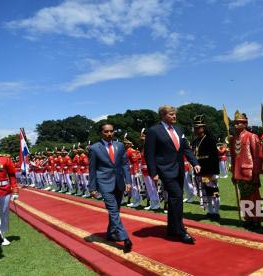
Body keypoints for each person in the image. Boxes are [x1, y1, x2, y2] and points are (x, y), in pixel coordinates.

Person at [144, 105, 201, 244]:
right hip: (165, 169)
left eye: (175, 114)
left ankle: (172, 228)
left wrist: (195, 162)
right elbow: (149, 153)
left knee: (174, 199)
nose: (174, 116)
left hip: (180, 169)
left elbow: (186, 148)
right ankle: (181, 231)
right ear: (163, 116)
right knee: (177, 196)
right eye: (171, 114)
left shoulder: (179, 129)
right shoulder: (153, 131)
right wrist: (153, 172)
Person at [88, 122, 133, 253]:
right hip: (104, 184)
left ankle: (110, 234)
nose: (109, 134)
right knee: (113, 210)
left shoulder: (120, 146)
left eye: (111, 131)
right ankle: (125, 238)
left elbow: (125, 165)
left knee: (116, 210)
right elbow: (92, 169)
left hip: (119, 183)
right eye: (106, 131)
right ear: (101, 133)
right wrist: (92, 188)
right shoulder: (94, 148)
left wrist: (128, 182)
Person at [230, 111, 263, 229]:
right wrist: (233, 174)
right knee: (244, 197)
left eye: (239, 123)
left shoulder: (252, 136)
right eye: (235, 123)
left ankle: (257, 219)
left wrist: (256, 174)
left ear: (245, 124)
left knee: (254, 197)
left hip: (250, 172)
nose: (235, 125)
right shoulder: (233, 139)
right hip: (239, 173)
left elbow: (257, 157)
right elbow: (234, 158)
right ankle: (248, 218)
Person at [192, 115, 221, 220]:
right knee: (205, 193)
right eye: (194, 127)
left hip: (209, 171)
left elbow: (214, 157)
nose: (195, 129)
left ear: (203, 128)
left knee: (213, 192)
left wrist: (213, 172)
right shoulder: (195, 141)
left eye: (197, 127)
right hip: (200, 171)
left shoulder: (210, 140)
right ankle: (210, 211)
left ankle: (216, 211)